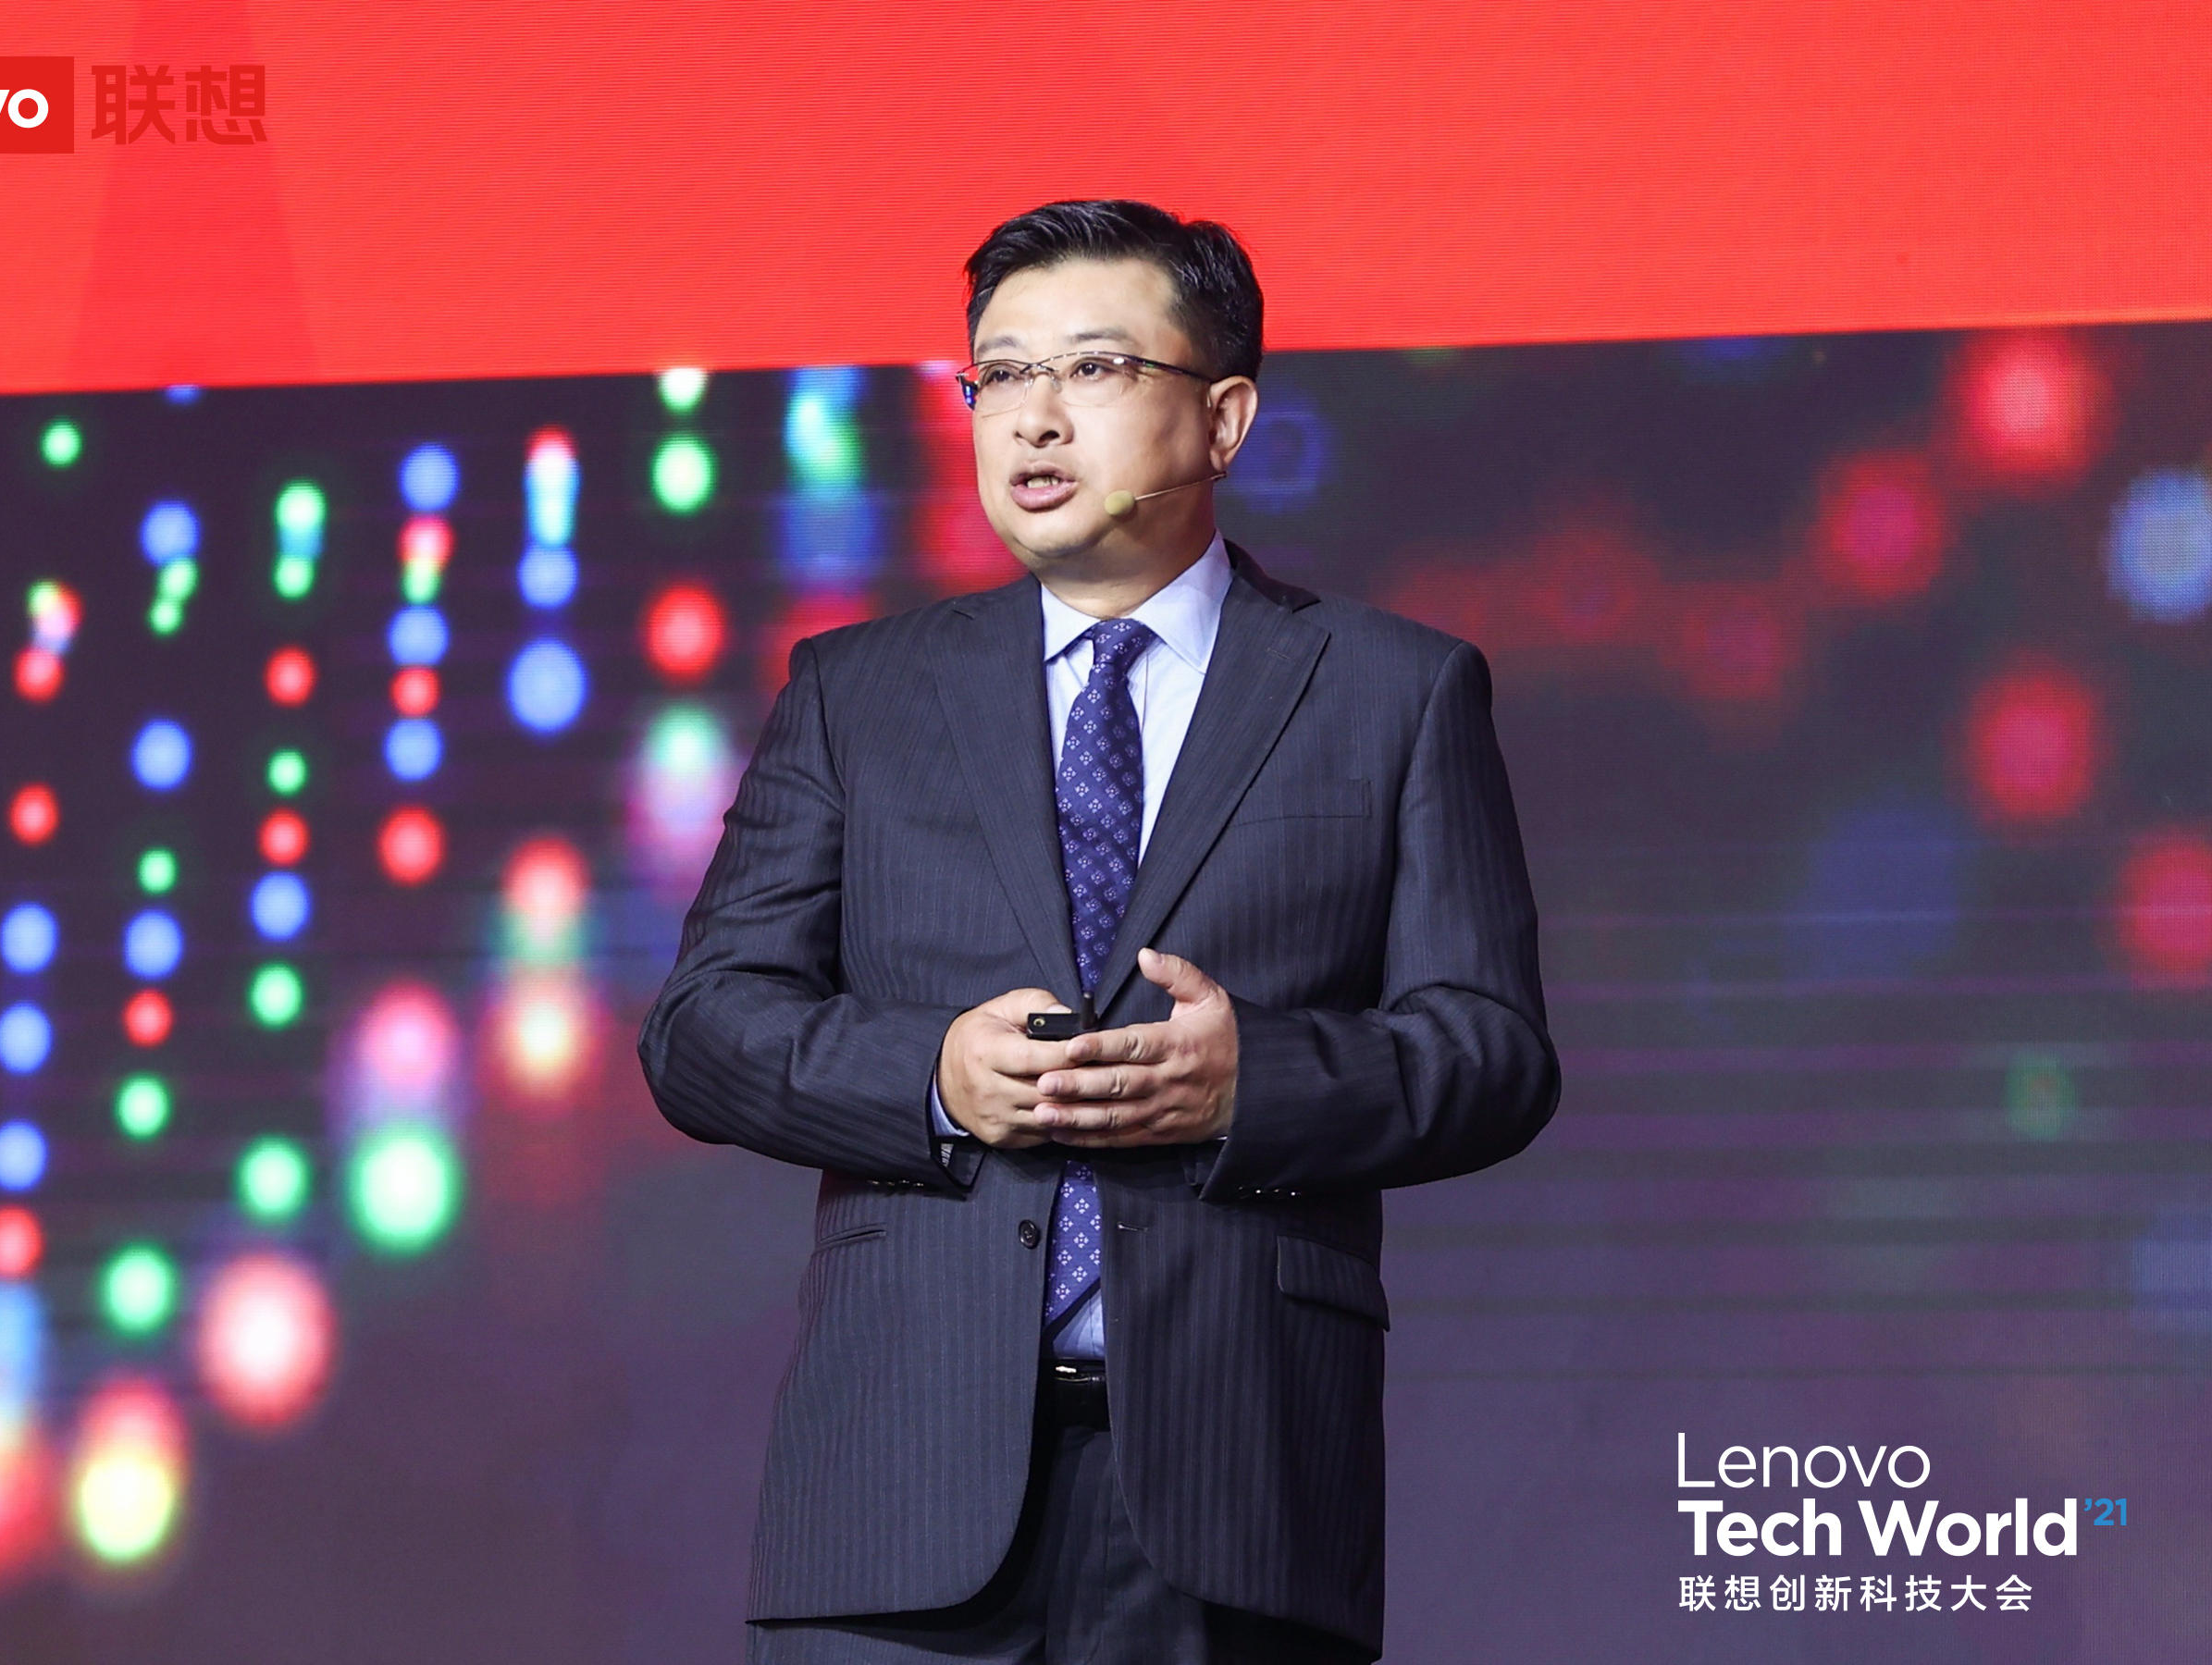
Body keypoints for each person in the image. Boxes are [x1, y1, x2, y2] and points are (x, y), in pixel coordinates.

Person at [637, 199, 1561, 1663]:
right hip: (895, 1489)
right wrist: (935, 1078)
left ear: (1225, 419)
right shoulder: (857, 693)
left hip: (1235, 1487)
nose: (1034, 417)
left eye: (1093, 368)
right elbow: (703, 1028)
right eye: (1000, 375)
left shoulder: (1393, 691)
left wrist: (1254, 1084)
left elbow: (1492, 1052)